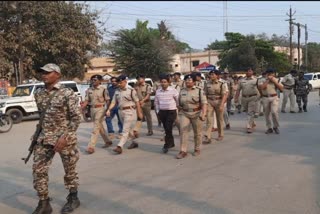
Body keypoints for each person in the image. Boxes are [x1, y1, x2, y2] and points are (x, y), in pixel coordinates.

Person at [32, 63, 81, 214]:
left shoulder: (67, 93)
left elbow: (76, 118)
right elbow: (42, 116)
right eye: (42, 72)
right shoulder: (38, 93)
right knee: (38, 170)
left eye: (48, 72)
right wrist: (36, 135)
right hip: (44, 138)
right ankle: (44, 203)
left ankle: (73, 198)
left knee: (69, 170)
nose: (44, 75)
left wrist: (65, 137)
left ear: (57, 75)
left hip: (63, 139)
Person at [106, 75, 143, 154]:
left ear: (125, 81)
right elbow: (113, 102)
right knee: (128, 129)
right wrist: (109, 109)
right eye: (118, 83)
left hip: (130, 111)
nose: (119, 84)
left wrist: (139, 113)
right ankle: (134, 142)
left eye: (121, 82)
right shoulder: (117, 91)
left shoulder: (131, 90)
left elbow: (137, 102)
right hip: (120, 111)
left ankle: (120, 146)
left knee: (125, 130)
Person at [176, 74, 207, 159]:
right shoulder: (182, 91)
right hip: (184, 113)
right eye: (186, 80)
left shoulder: (199, 90)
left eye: (190, 80)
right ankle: (183, 151)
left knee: (197, 132)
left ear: (194, 81)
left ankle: (197, 148)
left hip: (196, 113)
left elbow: (204, 103)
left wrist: (203, 114)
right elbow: (178, 103)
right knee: (183, 131)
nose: (187, 81)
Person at [81, 75, 112, 154]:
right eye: (92, 80)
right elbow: (86, 101)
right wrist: (81, 108)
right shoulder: (89, 90)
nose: (93, 81)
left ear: (99, 81)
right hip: (92, 109)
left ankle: (91, 146)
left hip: (100, 109)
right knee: (99, 126)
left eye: (95, 80)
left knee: (95, 127)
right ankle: (107, 141)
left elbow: (108, 100)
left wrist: (108, 110)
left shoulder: (103, 89)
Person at [154, 74, 179, 153]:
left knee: (168, 128)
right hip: (162, 112)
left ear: (168, 82)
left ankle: (166, 144)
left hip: (171, 111)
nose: (163, 83)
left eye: (165, 82)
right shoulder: (158, 91)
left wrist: (178, 109)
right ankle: (171, 143)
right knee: (167, 129)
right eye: (162, 82)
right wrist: (158, 111)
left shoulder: (173, 90)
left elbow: (178, 100)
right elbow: (156, 102)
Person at [203, 70, 227, 143]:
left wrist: (222, 105)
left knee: (219, 119)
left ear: (217, 75)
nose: (211, 76)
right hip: (209, 101)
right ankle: (208, 136)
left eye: (213, 74)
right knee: (209, 119)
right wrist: (205, 104)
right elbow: (205, 94)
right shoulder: (207, 83)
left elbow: (225, 95)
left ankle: (220, 134)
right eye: (211, 74)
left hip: (219, 101)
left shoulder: (222, 83)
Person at [258, 68, 284, 134]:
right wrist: (267, 80)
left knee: (274, 112)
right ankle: (269, 128)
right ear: (266, 74)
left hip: (274, 97)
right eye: (269, 73)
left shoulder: (276, 79)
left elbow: (282, 88)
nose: (271, 75)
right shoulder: (261, 80)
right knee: (267, 114)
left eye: (272, 73)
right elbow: (262, 87)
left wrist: (274, 81)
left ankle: (276, 126)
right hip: (265, 97)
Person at [234, 68, 259, 133]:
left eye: (250, 71)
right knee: (247, 111)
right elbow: (238, 90)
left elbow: (260, 88)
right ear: (246, 72)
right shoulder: (241, 80)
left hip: (253, 97)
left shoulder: (256, 80)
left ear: (252, 72)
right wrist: (236, 98)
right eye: (248, 71)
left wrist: (259, 96)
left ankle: (249, 127)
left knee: (250, 112)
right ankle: (252, 122)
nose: (249, 72)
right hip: (244, 98)